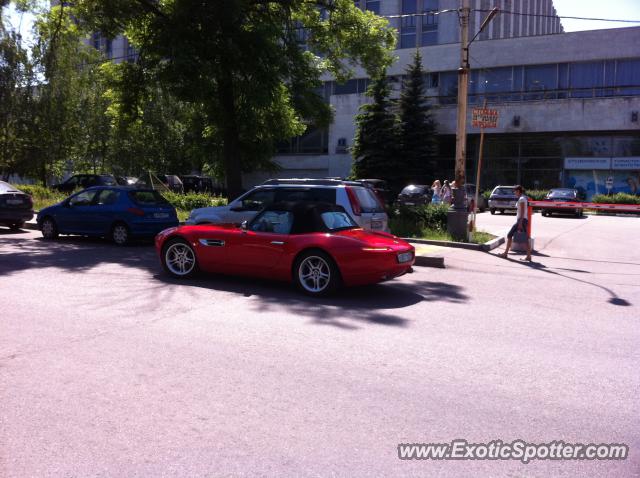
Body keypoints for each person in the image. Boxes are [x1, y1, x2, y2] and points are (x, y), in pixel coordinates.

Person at [499, 185, 532, 261]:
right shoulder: (522, 198)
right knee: (525, 238)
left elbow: (523, 211)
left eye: (515, 191)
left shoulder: (522, 199)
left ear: (519, 191)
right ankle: (528, 256)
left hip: (521, 220)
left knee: (510, 235)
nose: (514, 193)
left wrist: (520, 223)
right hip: (522, 220)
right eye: (514, 191)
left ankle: (505, 254)